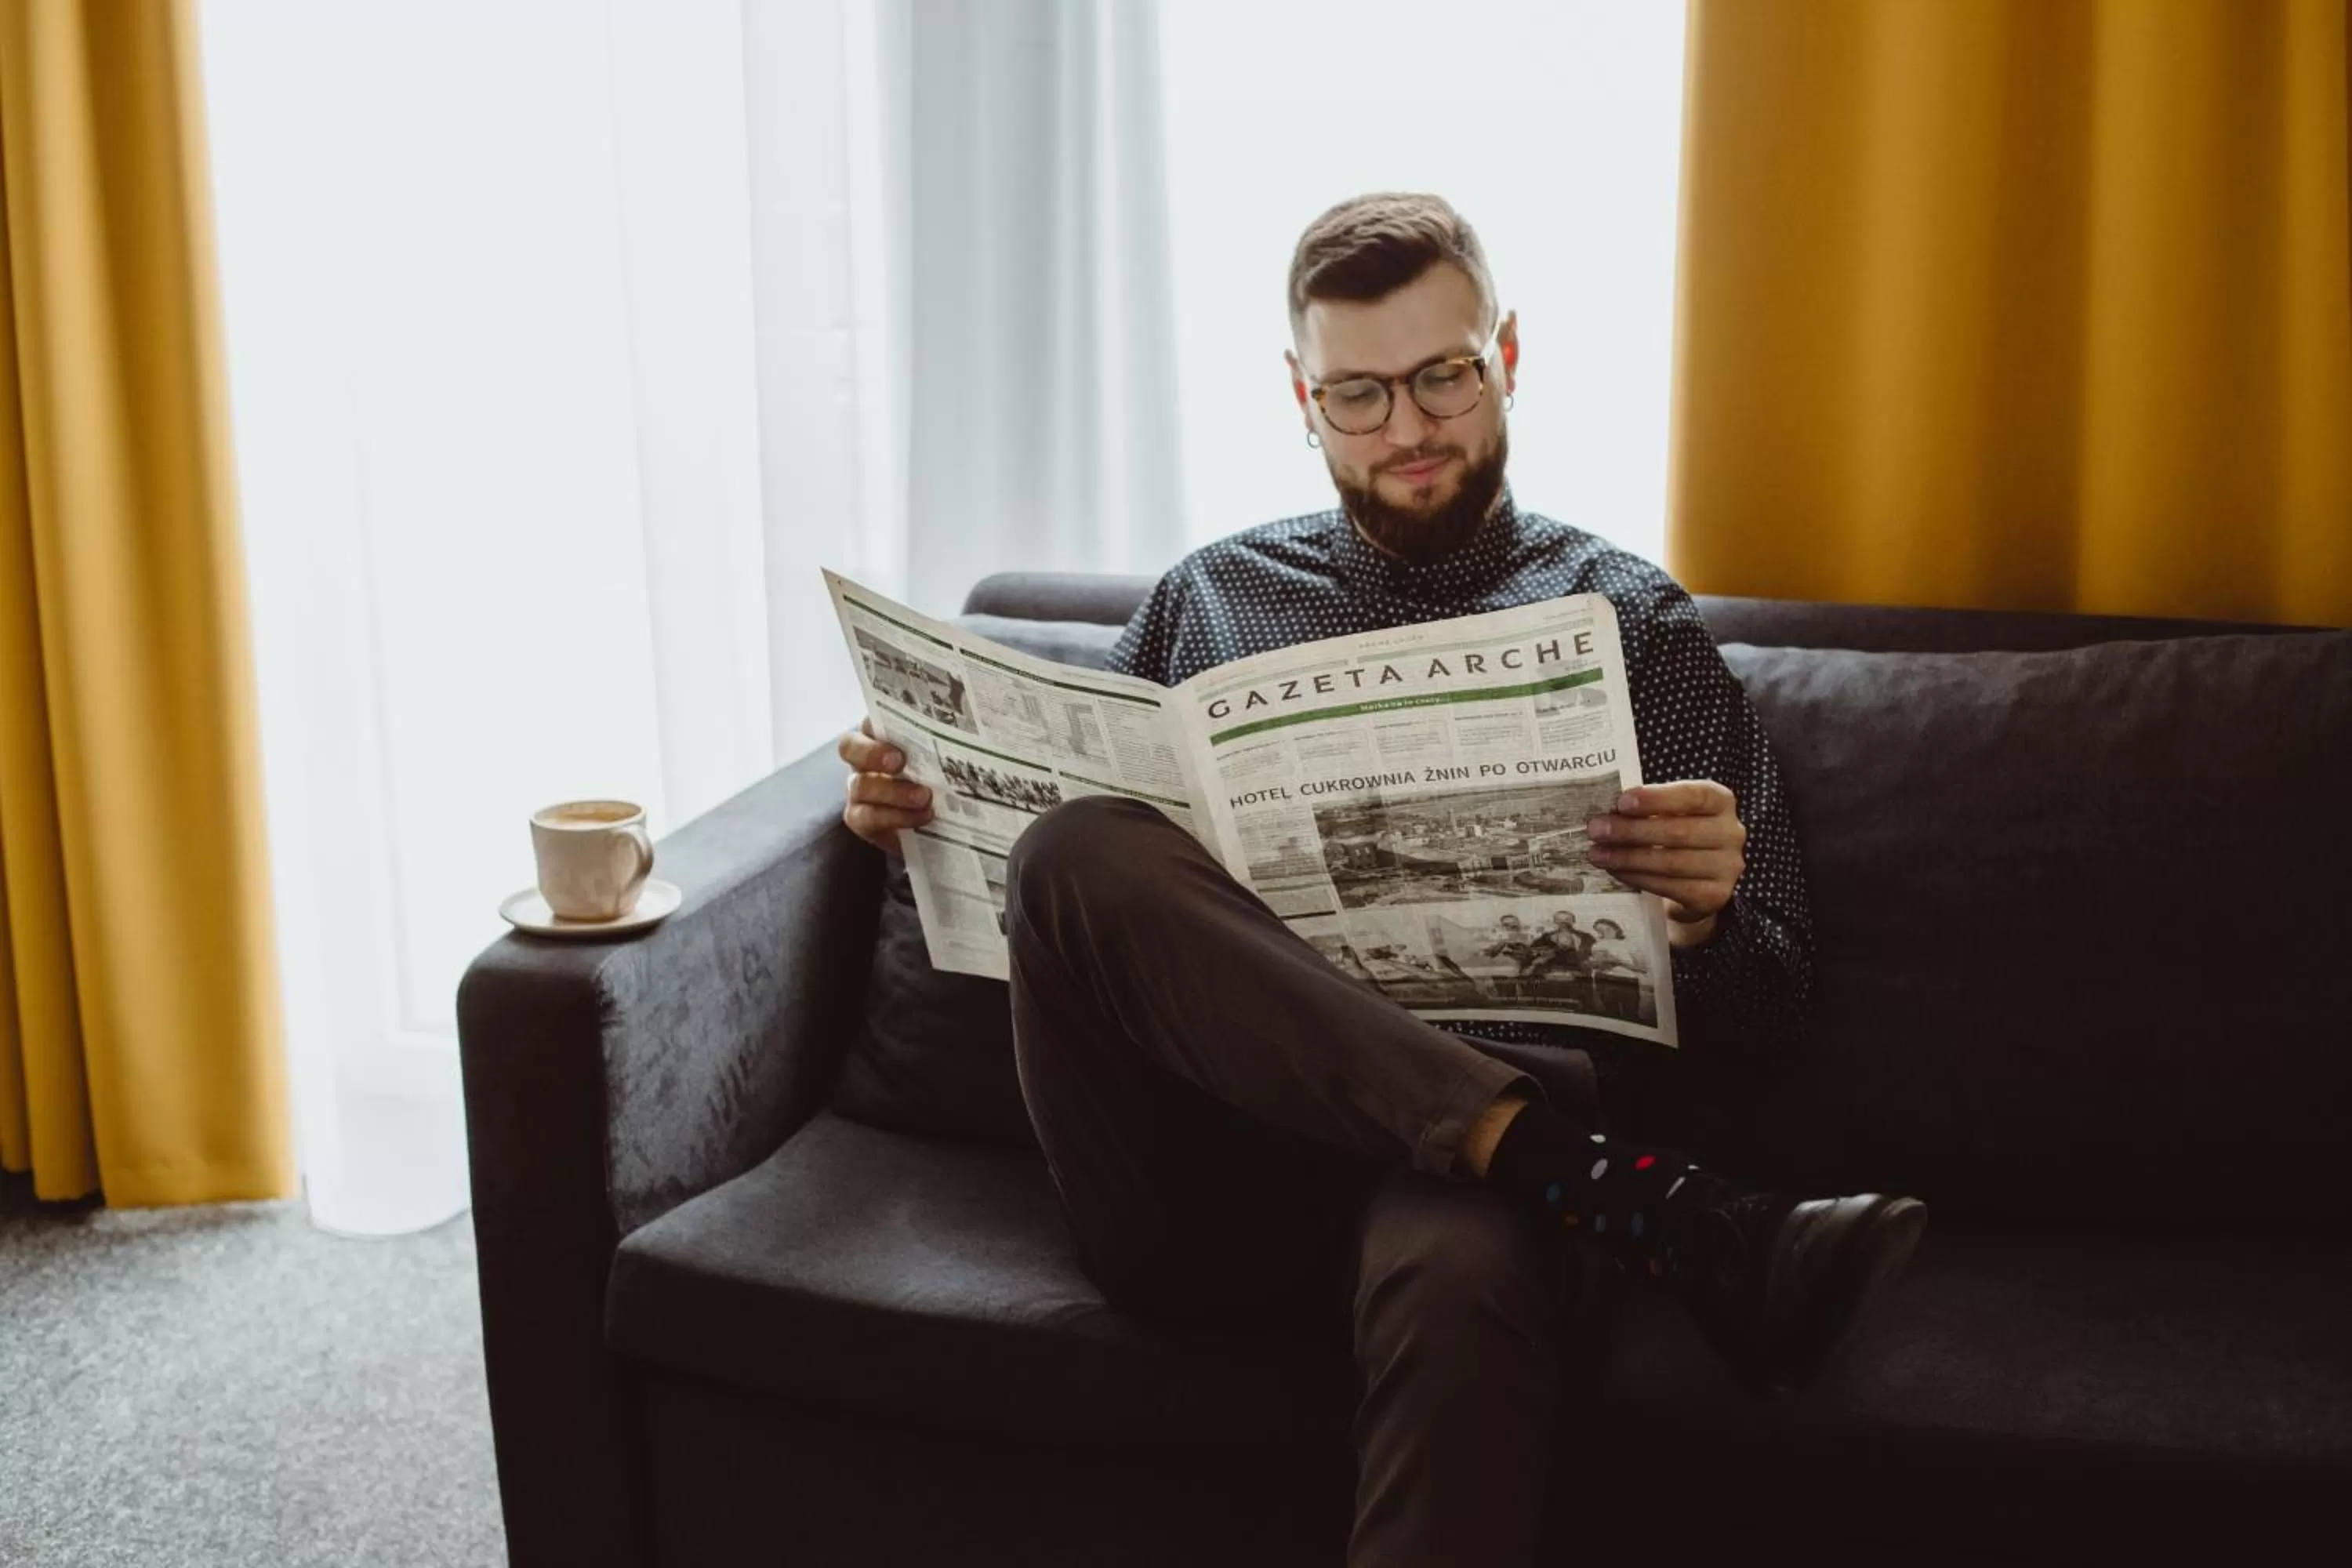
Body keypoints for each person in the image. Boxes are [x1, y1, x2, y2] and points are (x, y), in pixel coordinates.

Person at [838, 191, 1926, 1568]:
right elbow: (1066, 932)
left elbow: (1778, 1012)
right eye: (1357, 393)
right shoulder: (1206, 601)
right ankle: (1623, 1193)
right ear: (1303, 401)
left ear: (1507, 358)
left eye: (1442, 375)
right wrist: (919, 832)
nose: (1407, 426)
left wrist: (1710, 919)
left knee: (1464, 1260)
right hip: (1199, 1178)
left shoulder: (1628, 621)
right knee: (1073, 846)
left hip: (1461, 1197)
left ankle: (1532, 1158)